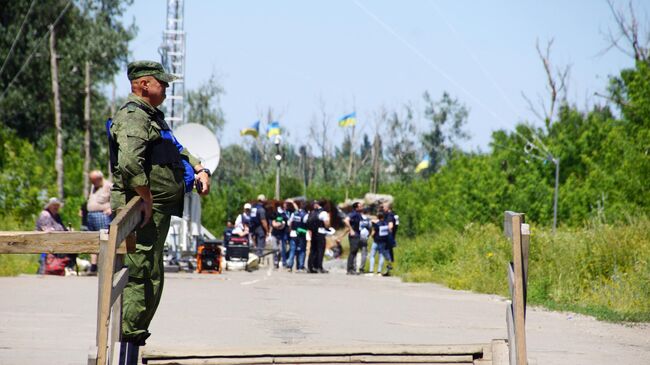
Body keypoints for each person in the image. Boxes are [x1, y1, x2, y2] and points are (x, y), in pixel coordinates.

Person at [109, 60, 211, 362]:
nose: (166, 88)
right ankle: (127, 346)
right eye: (161, 83)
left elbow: (176, 147)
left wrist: (199, 166)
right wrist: (146, 198)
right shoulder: (133, 117)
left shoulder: (153, 118)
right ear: (143, 85)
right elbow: (129, 164)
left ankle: (135, 341)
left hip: (157, 211)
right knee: (139, 274)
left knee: (151, 274)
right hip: (141, 210)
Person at [36, 197, 73, 275]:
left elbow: (61, 227)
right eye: (54, 205)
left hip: (56, 239)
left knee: (74, 244)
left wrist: (68, 230)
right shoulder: (45, 214)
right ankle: (48, 267)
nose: (56, 207)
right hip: (44, 240)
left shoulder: (56, 215)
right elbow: (46, 230)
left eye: (57, 205)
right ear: (49, 206)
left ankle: (67, 267)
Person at [86, 170, 113, 274]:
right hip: (91, 216)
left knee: (103, 239)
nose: (92, 183)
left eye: (93, 180)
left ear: (99, 178)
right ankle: (93, 266)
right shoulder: (93, 187)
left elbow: (116, 199)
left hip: (102, 215)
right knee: (92, 240)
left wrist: (111, 208)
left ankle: (105, 265)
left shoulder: (109, 186)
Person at [307, 200, 330, 273]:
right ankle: (319, 267)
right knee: (320, 250)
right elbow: (326, 223)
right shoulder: (323, 213)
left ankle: (310, 266)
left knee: (313, 250)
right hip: (321, 232)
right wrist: (328, 227)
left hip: (313, 232)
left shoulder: (312, 212)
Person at [285, 200, 308, 272]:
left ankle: (289, 266)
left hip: (293, 233)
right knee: (302, 250)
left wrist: (290, 230)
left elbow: (289, 223)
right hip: (301, 234)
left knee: (292, 250)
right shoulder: (305, 215)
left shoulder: (294, 214)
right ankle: (300, 267)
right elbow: (307, 224)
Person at [369, 211, 392, 276]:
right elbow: (389, 231)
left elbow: (373, 233)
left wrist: (371, 236)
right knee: (381, 256)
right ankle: (379, 271)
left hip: (376, 242)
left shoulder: (376, 224)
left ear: (377, 217)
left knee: (372, 256)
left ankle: (371, 271)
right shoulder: (386, 224)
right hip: (383, 242)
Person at [344, 202, 364, 275]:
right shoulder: (354, 213)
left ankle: (352, 269)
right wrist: (351, 230)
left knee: (354, 252)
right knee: (352, 252)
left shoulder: (358, 214)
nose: (362, 207)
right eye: (361, 206)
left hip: (357, 235)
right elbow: (346, 220)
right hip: (354, 235)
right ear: (357, 208)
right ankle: (350, 269)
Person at [271, 204, 289, 268]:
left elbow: (284, 224)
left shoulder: (285, 215)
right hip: (274, 234)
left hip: (282, 234)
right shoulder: (274, 214)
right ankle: (275, 262)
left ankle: (282, 261)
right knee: (275, 248)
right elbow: (273, 223)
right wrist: (276, 224)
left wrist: (280, 224)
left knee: (282, 249)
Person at [356, 207, 372, 273]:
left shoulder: (357, 217)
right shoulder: (368, 219)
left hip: (357, 236)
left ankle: (354, 267)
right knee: (364, 253)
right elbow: (370, 228)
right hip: (365, 237)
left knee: (354, 252)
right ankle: (361, 268)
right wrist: (369, 235)